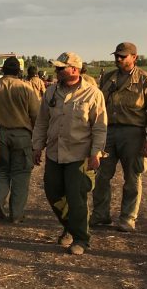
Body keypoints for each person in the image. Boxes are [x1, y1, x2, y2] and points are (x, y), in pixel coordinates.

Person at [32, 52, 107, 255]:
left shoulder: (92, 94)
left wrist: (96, 154)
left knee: (76, 197)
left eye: (60, 68)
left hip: (79, 154)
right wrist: (37, 146)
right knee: (53, 192)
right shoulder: (50, 92)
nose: (56, 71)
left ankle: (81, 239)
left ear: (74, 69)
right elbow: (41, 121)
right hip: (55, 152)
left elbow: (100, 127)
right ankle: (70, 226)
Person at [92, 43, 147, 232]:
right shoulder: (107, 79)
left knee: (132, 177)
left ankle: (127, 218)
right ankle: (100, 214)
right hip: (108, 132)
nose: (118, 59)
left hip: (134, 133)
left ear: (135, 58)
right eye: (117, 56)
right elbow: (98, 105)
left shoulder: (146, 80)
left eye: (123, 56)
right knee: (101, 175)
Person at [0, 57, 40, 223]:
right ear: (19, 71)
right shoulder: (26, 88)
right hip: (22, 135)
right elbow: (36, 115)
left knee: (3, 169)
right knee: (20, 173)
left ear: (3, 70)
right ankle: (16, 214)